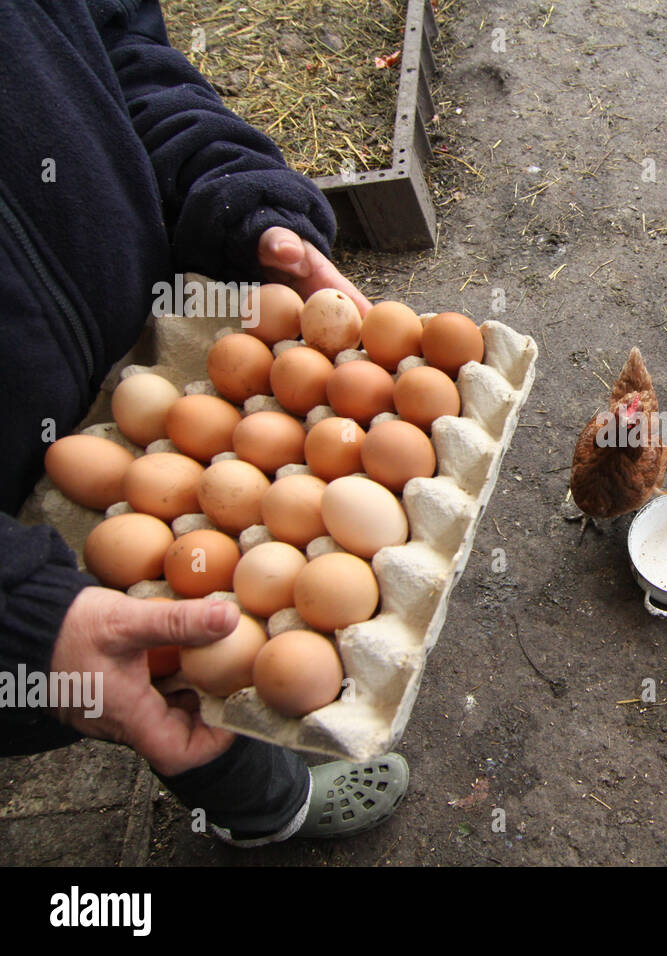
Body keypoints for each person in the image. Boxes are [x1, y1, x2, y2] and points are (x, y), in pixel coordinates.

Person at [0, 0, 408, 845]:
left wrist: (237, 199)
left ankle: (268, 807)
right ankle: (264, 804)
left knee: (198, 671)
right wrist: (16, 614)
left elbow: (122, 49)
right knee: (191, 661)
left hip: (143, 372)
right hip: (24, 544)